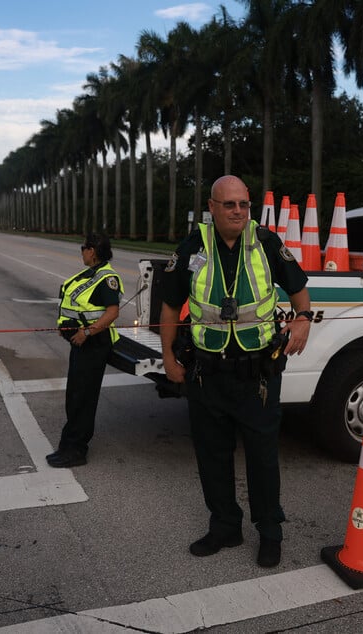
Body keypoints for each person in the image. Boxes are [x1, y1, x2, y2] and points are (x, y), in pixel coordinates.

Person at [160, 175, 312, 568]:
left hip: (256, 376)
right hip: (206, 374)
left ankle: (270, 531)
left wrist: (304, 319)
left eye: (244, 205)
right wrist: (169, 358)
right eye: (229, 205)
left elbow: (298, 289)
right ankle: (225, 526)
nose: (238, 212)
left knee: (262, 459)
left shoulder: (266, 243)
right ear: (211, 207)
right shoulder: (192, 246)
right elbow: (168, 306)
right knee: (212, 456)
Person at [47, 232, 123, 468]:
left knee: (83, 398)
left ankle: (77, 450)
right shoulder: (91, 274)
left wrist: (87, 332)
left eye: (83, 247)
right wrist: (67, 327)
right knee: (74, 396)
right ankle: (68, 445)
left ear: (92, 251)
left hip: (93, 344)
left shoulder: (107, 278)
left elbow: (112, 312)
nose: (81, 251)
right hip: (80, 343)